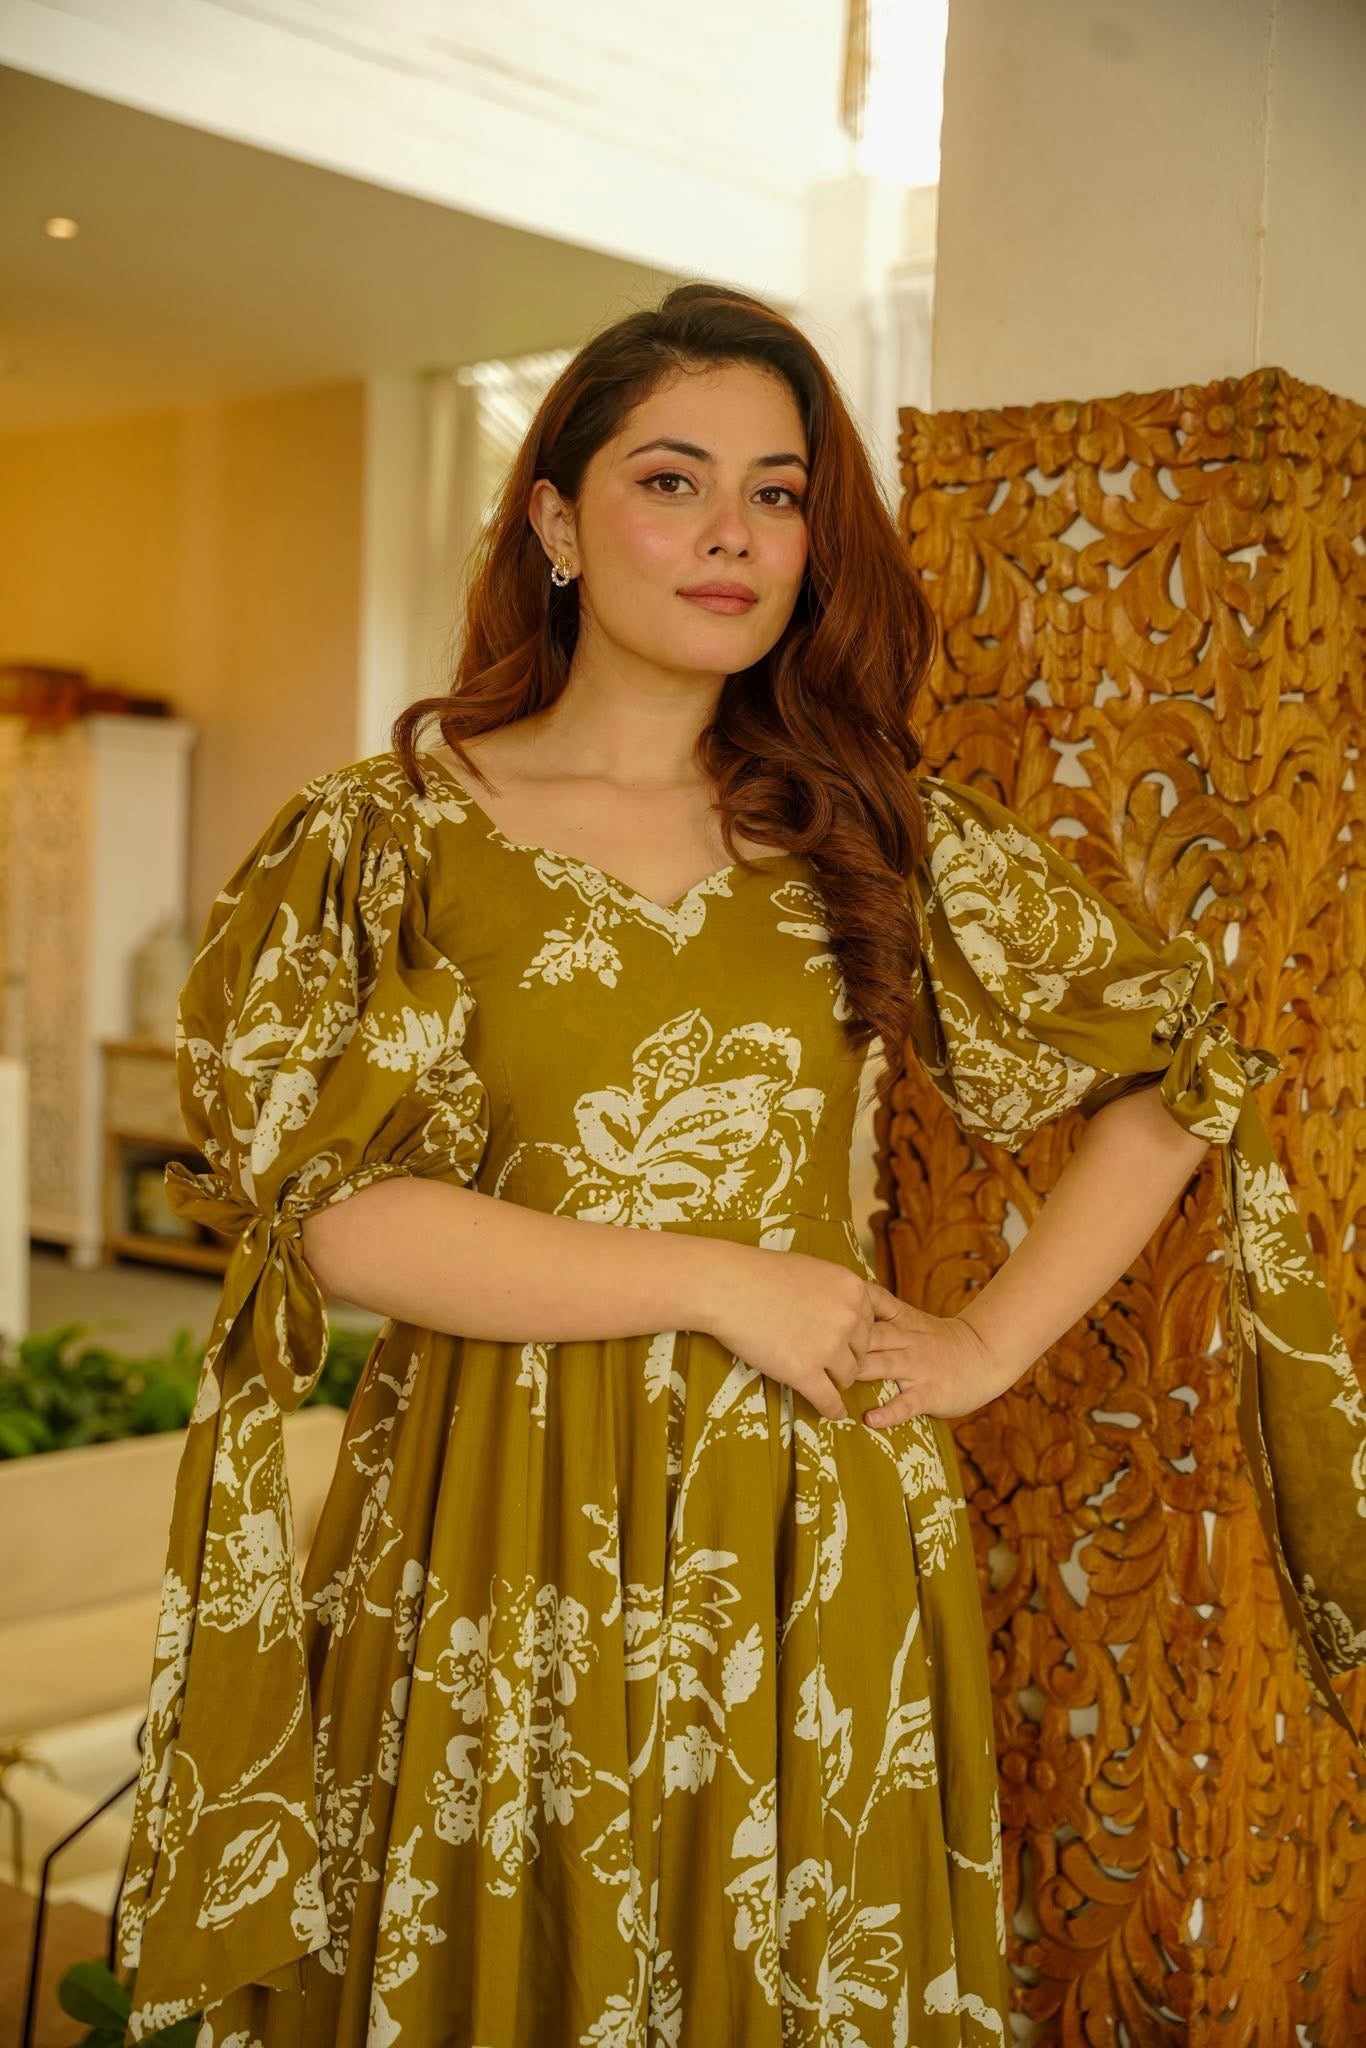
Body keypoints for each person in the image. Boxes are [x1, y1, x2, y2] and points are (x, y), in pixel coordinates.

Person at [114, 283, 1364, 2046]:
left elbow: (1182, 1077)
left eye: (776, 495)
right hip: (488, 1515)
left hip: (803, 1524)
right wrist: (725, 1283)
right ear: (555, 523)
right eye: (670, 481)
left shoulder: (862, 831)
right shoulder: (386, 837)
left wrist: (980, 1345)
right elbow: (325, 1221)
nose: (731, 535)